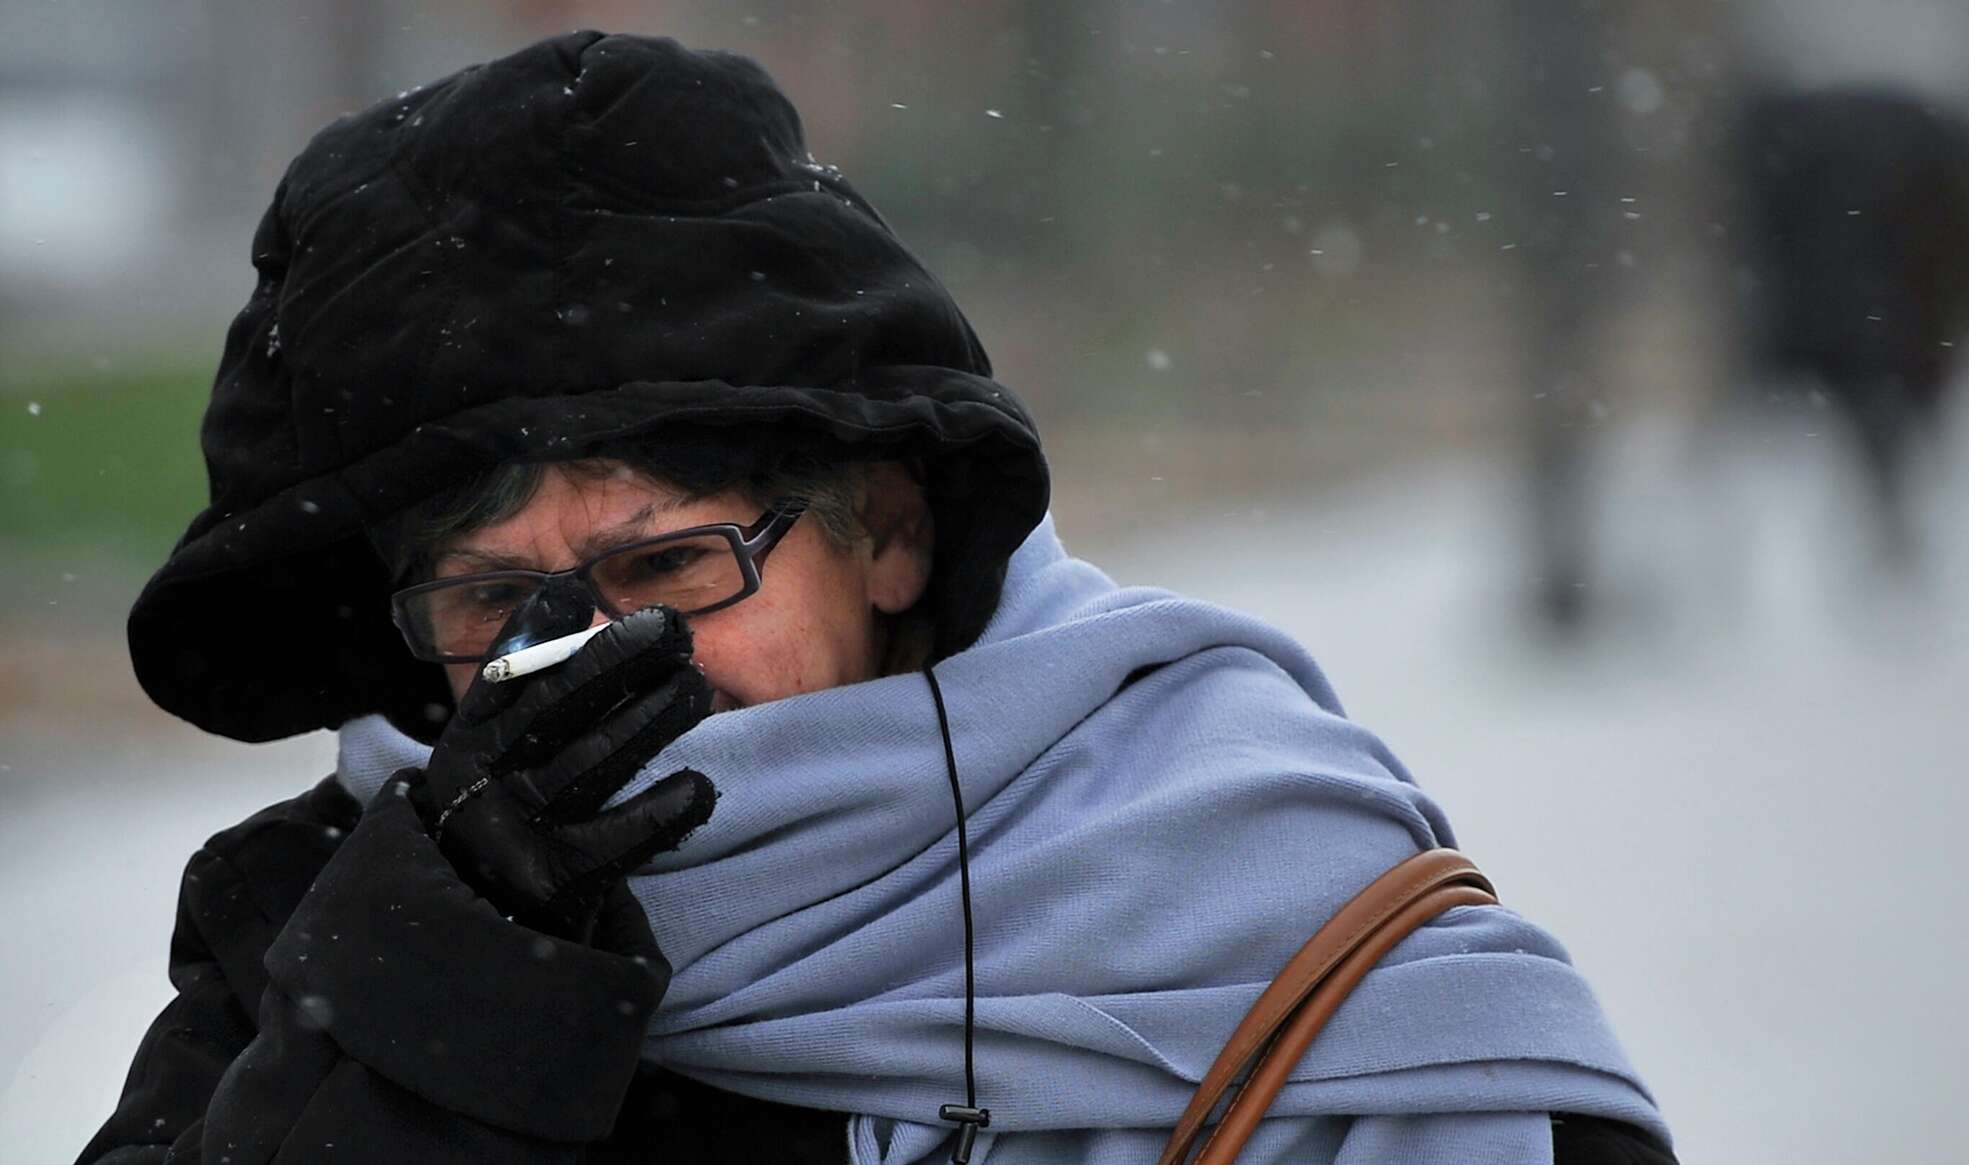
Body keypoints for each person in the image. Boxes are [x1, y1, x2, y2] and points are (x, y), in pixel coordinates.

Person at [84, 31, 1676, 1165]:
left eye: (669, 565)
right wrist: (434, 1008)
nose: (579, 656)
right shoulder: (320, 920)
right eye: (495, 601)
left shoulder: (1263, 887)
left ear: (891, 537)